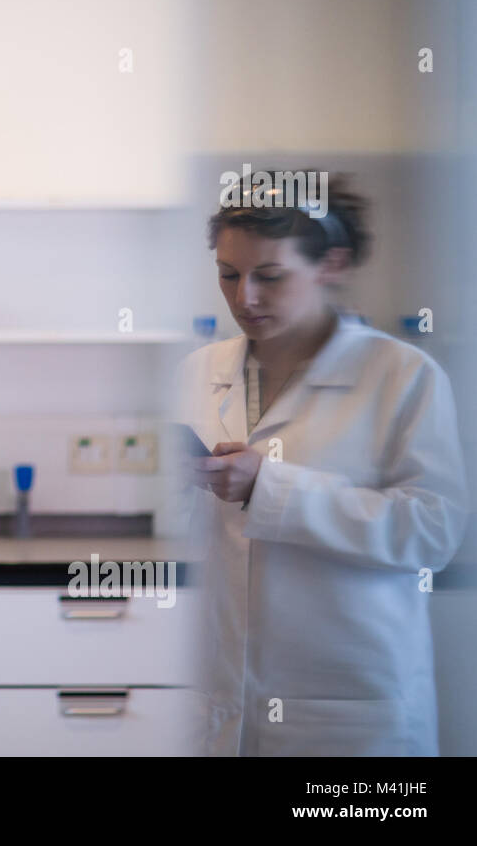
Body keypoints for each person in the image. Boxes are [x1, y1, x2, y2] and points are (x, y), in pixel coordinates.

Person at [174, 169, 468, 756]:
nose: (244, 298)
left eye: (270, 277)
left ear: (330, 264)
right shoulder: (201, 372)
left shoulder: (400, 375)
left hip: (349, 716)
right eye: (228, 276)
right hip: (225, 704)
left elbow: (434, 531)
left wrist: (271, 486)